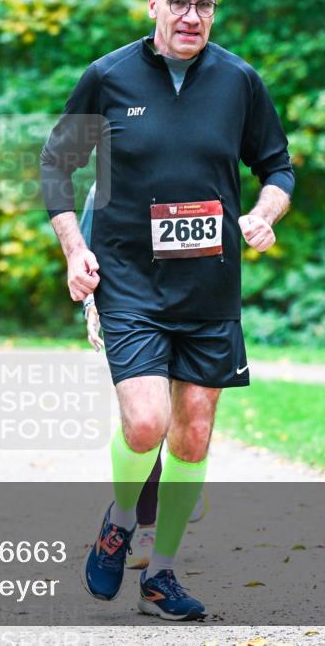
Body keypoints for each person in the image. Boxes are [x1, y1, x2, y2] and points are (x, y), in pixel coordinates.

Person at [42, 0, 294, 620]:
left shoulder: (239, 82)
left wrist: (266, 213)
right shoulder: (108, 76)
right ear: (153, 3)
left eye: (203, 4)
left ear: (215, 9)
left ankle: (162, 576)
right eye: (178, 1)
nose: (191, 15)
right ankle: (120, 518)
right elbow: (56, 165)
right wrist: (75, 249)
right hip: (128, 279)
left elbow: (278, 168)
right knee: (148, 422)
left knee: (194, 434)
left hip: (210, 288)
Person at [79, 183, 207, 572]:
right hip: (133, 309)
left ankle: (182, 472)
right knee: (148, 420)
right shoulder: (104, 188)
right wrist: (90, 306)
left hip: (189, 306)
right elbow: (84, 250)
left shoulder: (195, 174)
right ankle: (146, 526)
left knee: (188, 413)